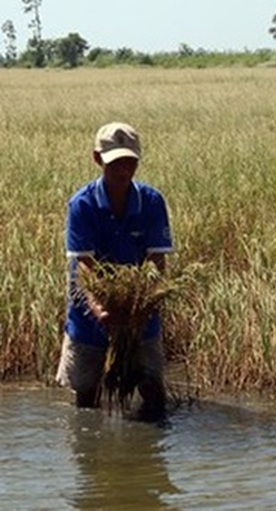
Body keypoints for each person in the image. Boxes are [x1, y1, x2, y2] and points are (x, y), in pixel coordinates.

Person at [56, 121, 174, 421]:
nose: (124, 171)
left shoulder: (151, 201)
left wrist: (143, 305)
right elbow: (83, 267)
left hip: (139, 310)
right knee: (86, 395)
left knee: (152, 389)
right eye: (116, 163)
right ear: (98, 159)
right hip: (90, 312)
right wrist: (101, 311)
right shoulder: (82, 204)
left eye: (130, 163)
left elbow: (157, 262)